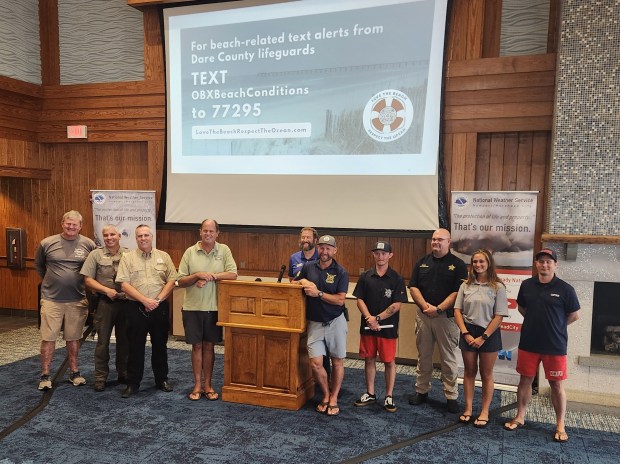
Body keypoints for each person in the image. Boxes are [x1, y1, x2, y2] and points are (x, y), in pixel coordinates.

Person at [504, 249, 580, 442]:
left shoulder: (566, 289)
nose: (544, 265)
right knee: (525, 380)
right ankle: (520, 416)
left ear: (555, 264)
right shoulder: (527, 285)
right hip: (529, 342)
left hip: (554, 346)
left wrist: (555, 327)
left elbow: (574, 315)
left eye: (549, 261)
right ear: (536, 264)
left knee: (556, 385)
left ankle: (560, 424)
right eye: (541, 261)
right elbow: (522, 308)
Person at [177, 219, 238, 401]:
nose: (208, 234)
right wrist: (196, 276)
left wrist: (210, 277)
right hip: (192, 307)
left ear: (217, 233)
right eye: (205, 231)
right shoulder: (190, 252)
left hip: (215, 308)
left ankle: (208, 385)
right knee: (196, 346)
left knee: (209, 346)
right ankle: (197, 385)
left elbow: (233, 274)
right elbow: (179, 281)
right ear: (200, 232)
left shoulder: (224, 250)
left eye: (211, 231)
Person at [35, 210, 96, 390]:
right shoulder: (47, 243)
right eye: (68, 223)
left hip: (77, 300)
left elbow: (92, 268)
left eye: (75, 224)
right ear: (62, 223)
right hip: (51, 300)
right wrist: (52, 281)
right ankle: (45, 375)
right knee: (48, 338)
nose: (71, 227)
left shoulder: (88, 244)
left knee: (74, 338)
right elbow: (39, 265)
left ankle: (74, 373)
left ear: (80, 226)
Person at [408, 228, 467, 413]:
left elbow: (457, 292)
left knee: (448, 358)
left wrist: (439, 308)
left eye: (440, 240)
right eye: (434, 239)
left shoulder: (458, 265)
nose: (436, 243)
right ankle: (422, 390)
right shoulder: (422, 262)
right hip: (424, 315)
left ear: (449, 242)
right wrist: (426, 306)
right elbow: (413, 287)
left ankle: (451, 396)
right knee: (423, 356)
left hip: (445, 318)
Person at [115, 224, 178, 398]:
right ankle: (133, 383)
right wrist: (145, 301)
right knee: (135, 347)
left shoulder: (164, 256)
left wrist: (156, 301)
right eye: (139, 236)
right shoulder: (127, 258)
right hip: (136, 307)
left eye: (146, 235)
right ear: (136, 239)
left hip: (159, 307)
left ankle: (161, 379)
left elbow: (172, 279)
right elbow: (124, 284)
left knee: (160, 345)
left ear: (152, 237)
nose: (143, 238)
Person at [295, 235, 349, 416]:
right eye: (322, 247)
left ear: (334, 251)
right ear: (318, 249)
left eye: (328, 248)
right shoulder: (309, 267)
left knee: (337, 361)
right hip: (315, 323)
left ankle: (334, 398)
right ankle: (325, 394)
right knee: (316, 363)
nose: (324, 251)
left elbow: (340, 300)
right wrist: (303, 281)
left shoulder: (341, 272)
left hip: (335, 321)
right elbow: (294, 282)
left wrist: (318, 293)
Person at [454, 249, 509, 427]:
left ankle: (484, 411)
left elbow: (499, 315)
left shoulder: (498, 287)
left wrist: (483, 337)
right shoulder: (465, 285)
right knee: (469, 372)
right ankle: (468, 409)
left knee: (486, 374)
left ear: (489, 263)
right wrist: (465, 333)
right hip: (468, 332)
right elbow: (457, 310)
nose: (478, 265)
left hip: (489, 334)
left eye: (482, 262)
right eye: (475, 262)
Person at [352, 241, 407, 412]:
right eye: (377, 253)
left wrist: (377, 318)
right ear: (374, 255)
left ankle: (389, 396)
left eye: (384, 253)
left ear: (390, 255)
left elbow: (397, 305)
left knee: (389, 361)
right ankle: (370, 393)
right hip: (368, 327)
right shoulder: (365, 276)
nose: (380, 257)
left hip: (388, 329)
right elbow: (359, 299)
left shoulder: (397, 278)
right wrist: (369, 318)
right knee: (369, 359)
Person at [80, 224, 130, 392]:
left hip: (126, 303)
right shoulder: (95, 254)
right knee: (102, 343)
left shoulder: (129, 254)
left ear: (119, 236)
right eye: (106, 235)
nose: (109, 238)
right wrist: (106, 290)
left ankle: (123, 373)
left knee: (125, 341)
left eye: (112, 235)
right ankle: (100, 377)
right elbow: (87, 280)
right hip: (104, 304)